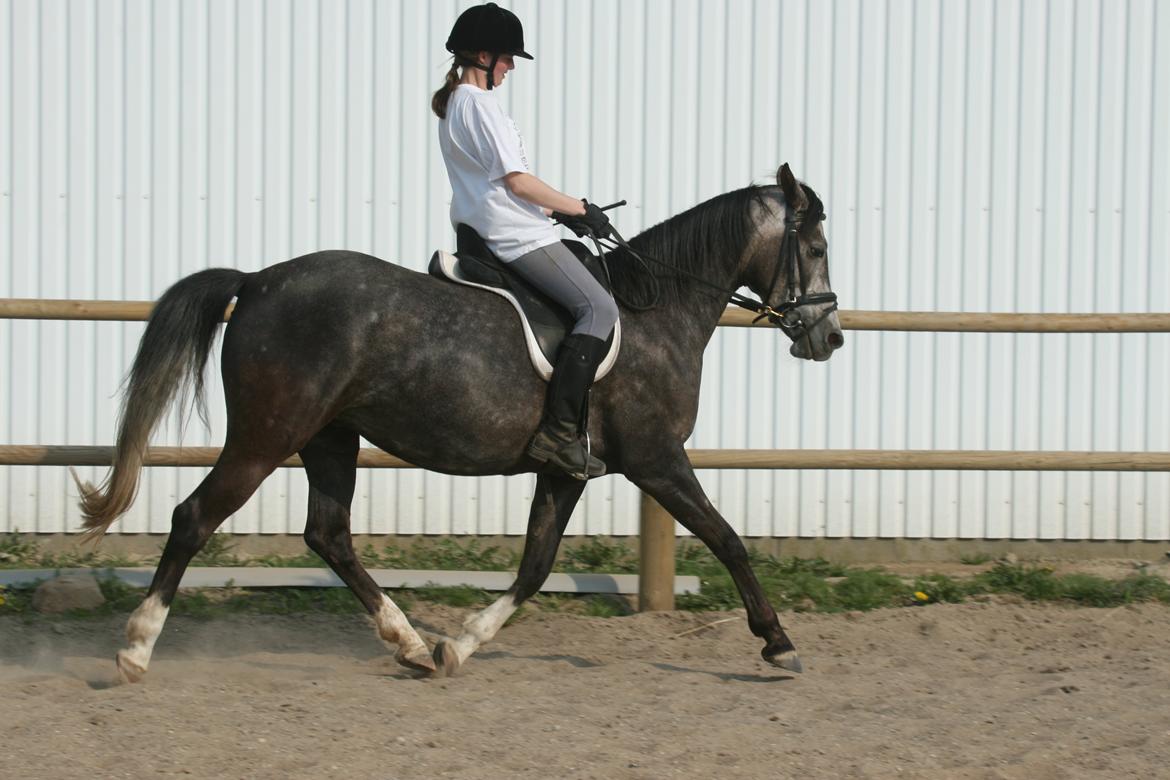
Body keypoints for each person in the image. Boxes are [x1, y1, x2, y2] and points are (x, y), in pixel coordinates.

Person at [432, 2, 619, 480]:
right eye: (507, 57)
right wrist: (579, 207)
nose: (512, 66)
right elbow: (517, 182)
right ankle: (559, 434)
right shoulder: (480, 106)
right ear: (481, 56)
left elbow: (500, 185)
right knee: (599, 309)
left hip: (493, 227)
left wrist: (557, 212)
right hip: (513, 236)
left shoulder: (457, 103)